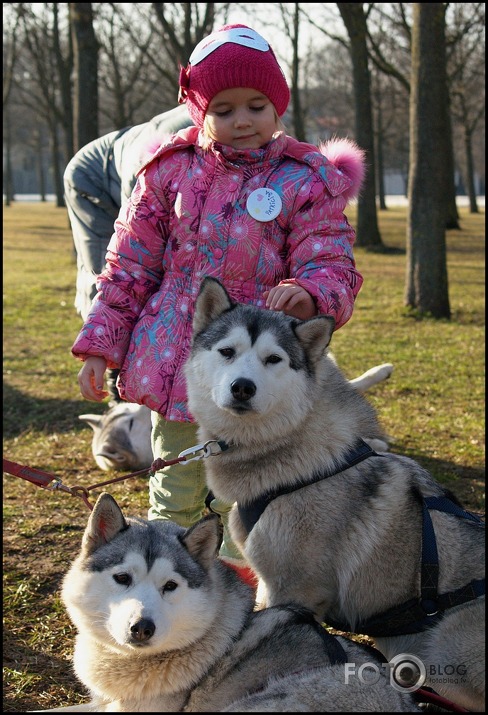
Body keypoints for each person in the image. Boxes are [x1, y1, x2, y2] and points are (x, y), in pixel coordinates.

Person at [71, 23, 365, 585]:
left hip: (262, 370)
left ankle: (244, 587)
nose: (242, 121)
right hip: (177, 362)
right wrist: (100, 344)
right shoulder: (169, 172)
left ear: (278, 105)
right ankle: (171, 585)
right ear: (198, 110)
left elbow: (329, 257)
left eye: (257, 105)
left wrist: (311, 292)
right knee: (177, 486)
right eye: (224, 109)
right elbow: (128, 266)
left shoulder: (303, 181)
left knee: (257, 494)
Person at [64, 105, 193, 400]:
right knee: (109, 273)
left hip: (125, 162)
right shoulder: (158, 159)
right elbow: (132, 256)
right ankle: (112, 378)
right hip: (92, 178)